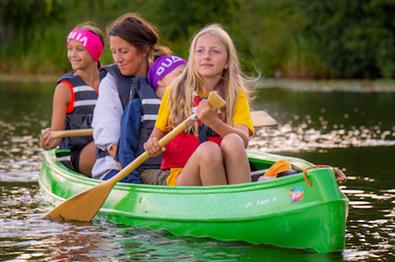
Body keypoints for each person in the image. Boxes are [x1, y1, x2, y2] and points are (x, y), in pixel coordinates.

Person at [144, 24, 254, 186]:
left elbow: (243, 141)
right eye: (200, 51)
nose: (206, 56)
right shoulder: (174, 92)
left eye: (215, 51)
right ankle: (223, 206)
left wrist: (213, 122)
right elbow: (155, 138)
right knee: (208, 150)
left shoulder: (235, 94)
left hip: (223, 173)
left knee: (233, 140)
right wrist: (152, 145)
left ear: (227, 62)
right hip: (185, 177)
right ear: (192, 59)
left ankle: (243, 202)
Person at [92, 13, 179, 184]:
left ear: (145, 50)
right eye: (114, 52)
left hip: (165, 165)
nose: (118, 59)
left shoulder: (167, 76)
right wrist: (133, 175)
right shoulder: (110, 82)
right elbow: (108, 135)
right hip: (118, 168)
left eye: (124, 51)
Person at [40, 23, 105, 176]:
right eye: (70, 49)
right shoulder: (65, 88)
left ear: (95, 52)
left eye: (79, 49)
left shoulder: (111, 80)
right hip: (77, 155)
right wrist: (47, 141)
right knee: (105, 145)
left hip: (109, 146)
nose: (72, 55)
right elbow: (56, 138)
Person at [116, 55, 187, 184]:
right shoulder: (137, 106)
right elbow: (125, 149)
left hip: (177, 169)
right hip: (147, 171)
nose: (186, 81)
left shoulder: (187, 107)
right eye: (180, 74)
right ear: (161, 80)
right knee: (187, 180)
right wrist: (133, 182)